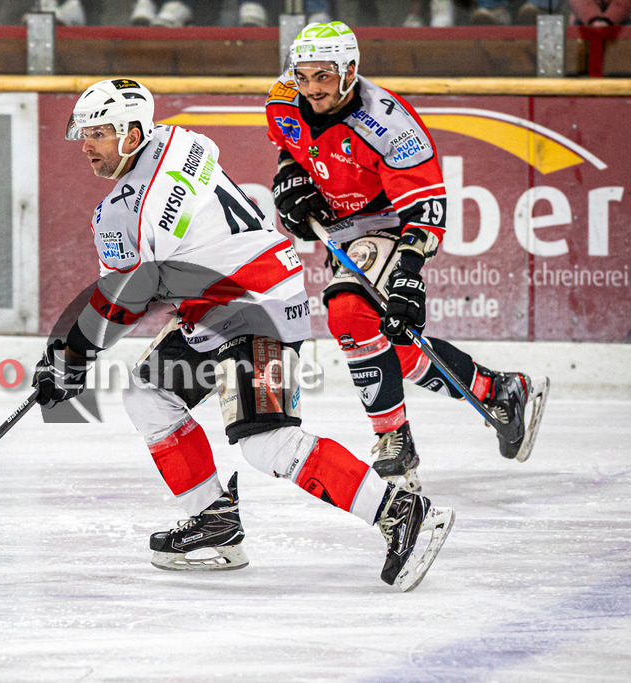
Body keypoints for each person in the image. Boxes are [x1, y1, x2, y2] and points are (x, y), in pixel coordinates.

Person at [32, 78, 455, 591]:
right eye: (83, 132)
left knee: (265, 442)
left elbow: (124, 299)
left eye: (97, 133)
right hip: (226, 301)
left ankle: (402, 512)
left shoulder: (126, 210)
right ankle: (215, 521)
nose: (85, 145)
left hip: (256, 307)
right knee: (148, 392)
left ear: (130, 134)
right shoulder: (175, 141)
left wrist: (71, 356)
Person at [266, 21, 549, 492]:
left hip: (389, 224)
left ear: (350, 70)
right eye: (304, 75)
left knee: (349, 315)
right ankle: (497, 391)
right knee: (391, 346)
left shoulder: (390, 125)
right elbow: (289, 150)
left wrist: (408, 274)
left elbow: (425, 208)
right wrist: (288, 182)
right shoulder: (282, 97)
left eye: (324, 77)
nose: (311, 89)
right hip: (344, 227)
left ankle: (394, 441)